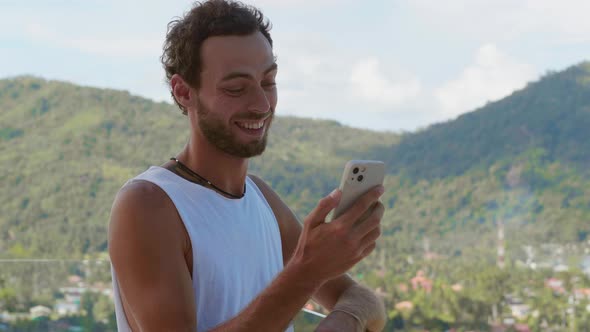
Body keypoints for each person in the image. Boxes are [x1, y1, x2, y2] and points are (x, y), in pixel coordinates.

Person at [108, 0, 387, 331]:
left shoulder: (261, 198)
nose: (262, 104)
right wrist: (308, 270)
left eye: (268, 82)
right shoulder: (148, 205)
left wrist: (341, 320)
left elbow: (364, 299)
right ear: (184, 92)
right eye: (236, 88)